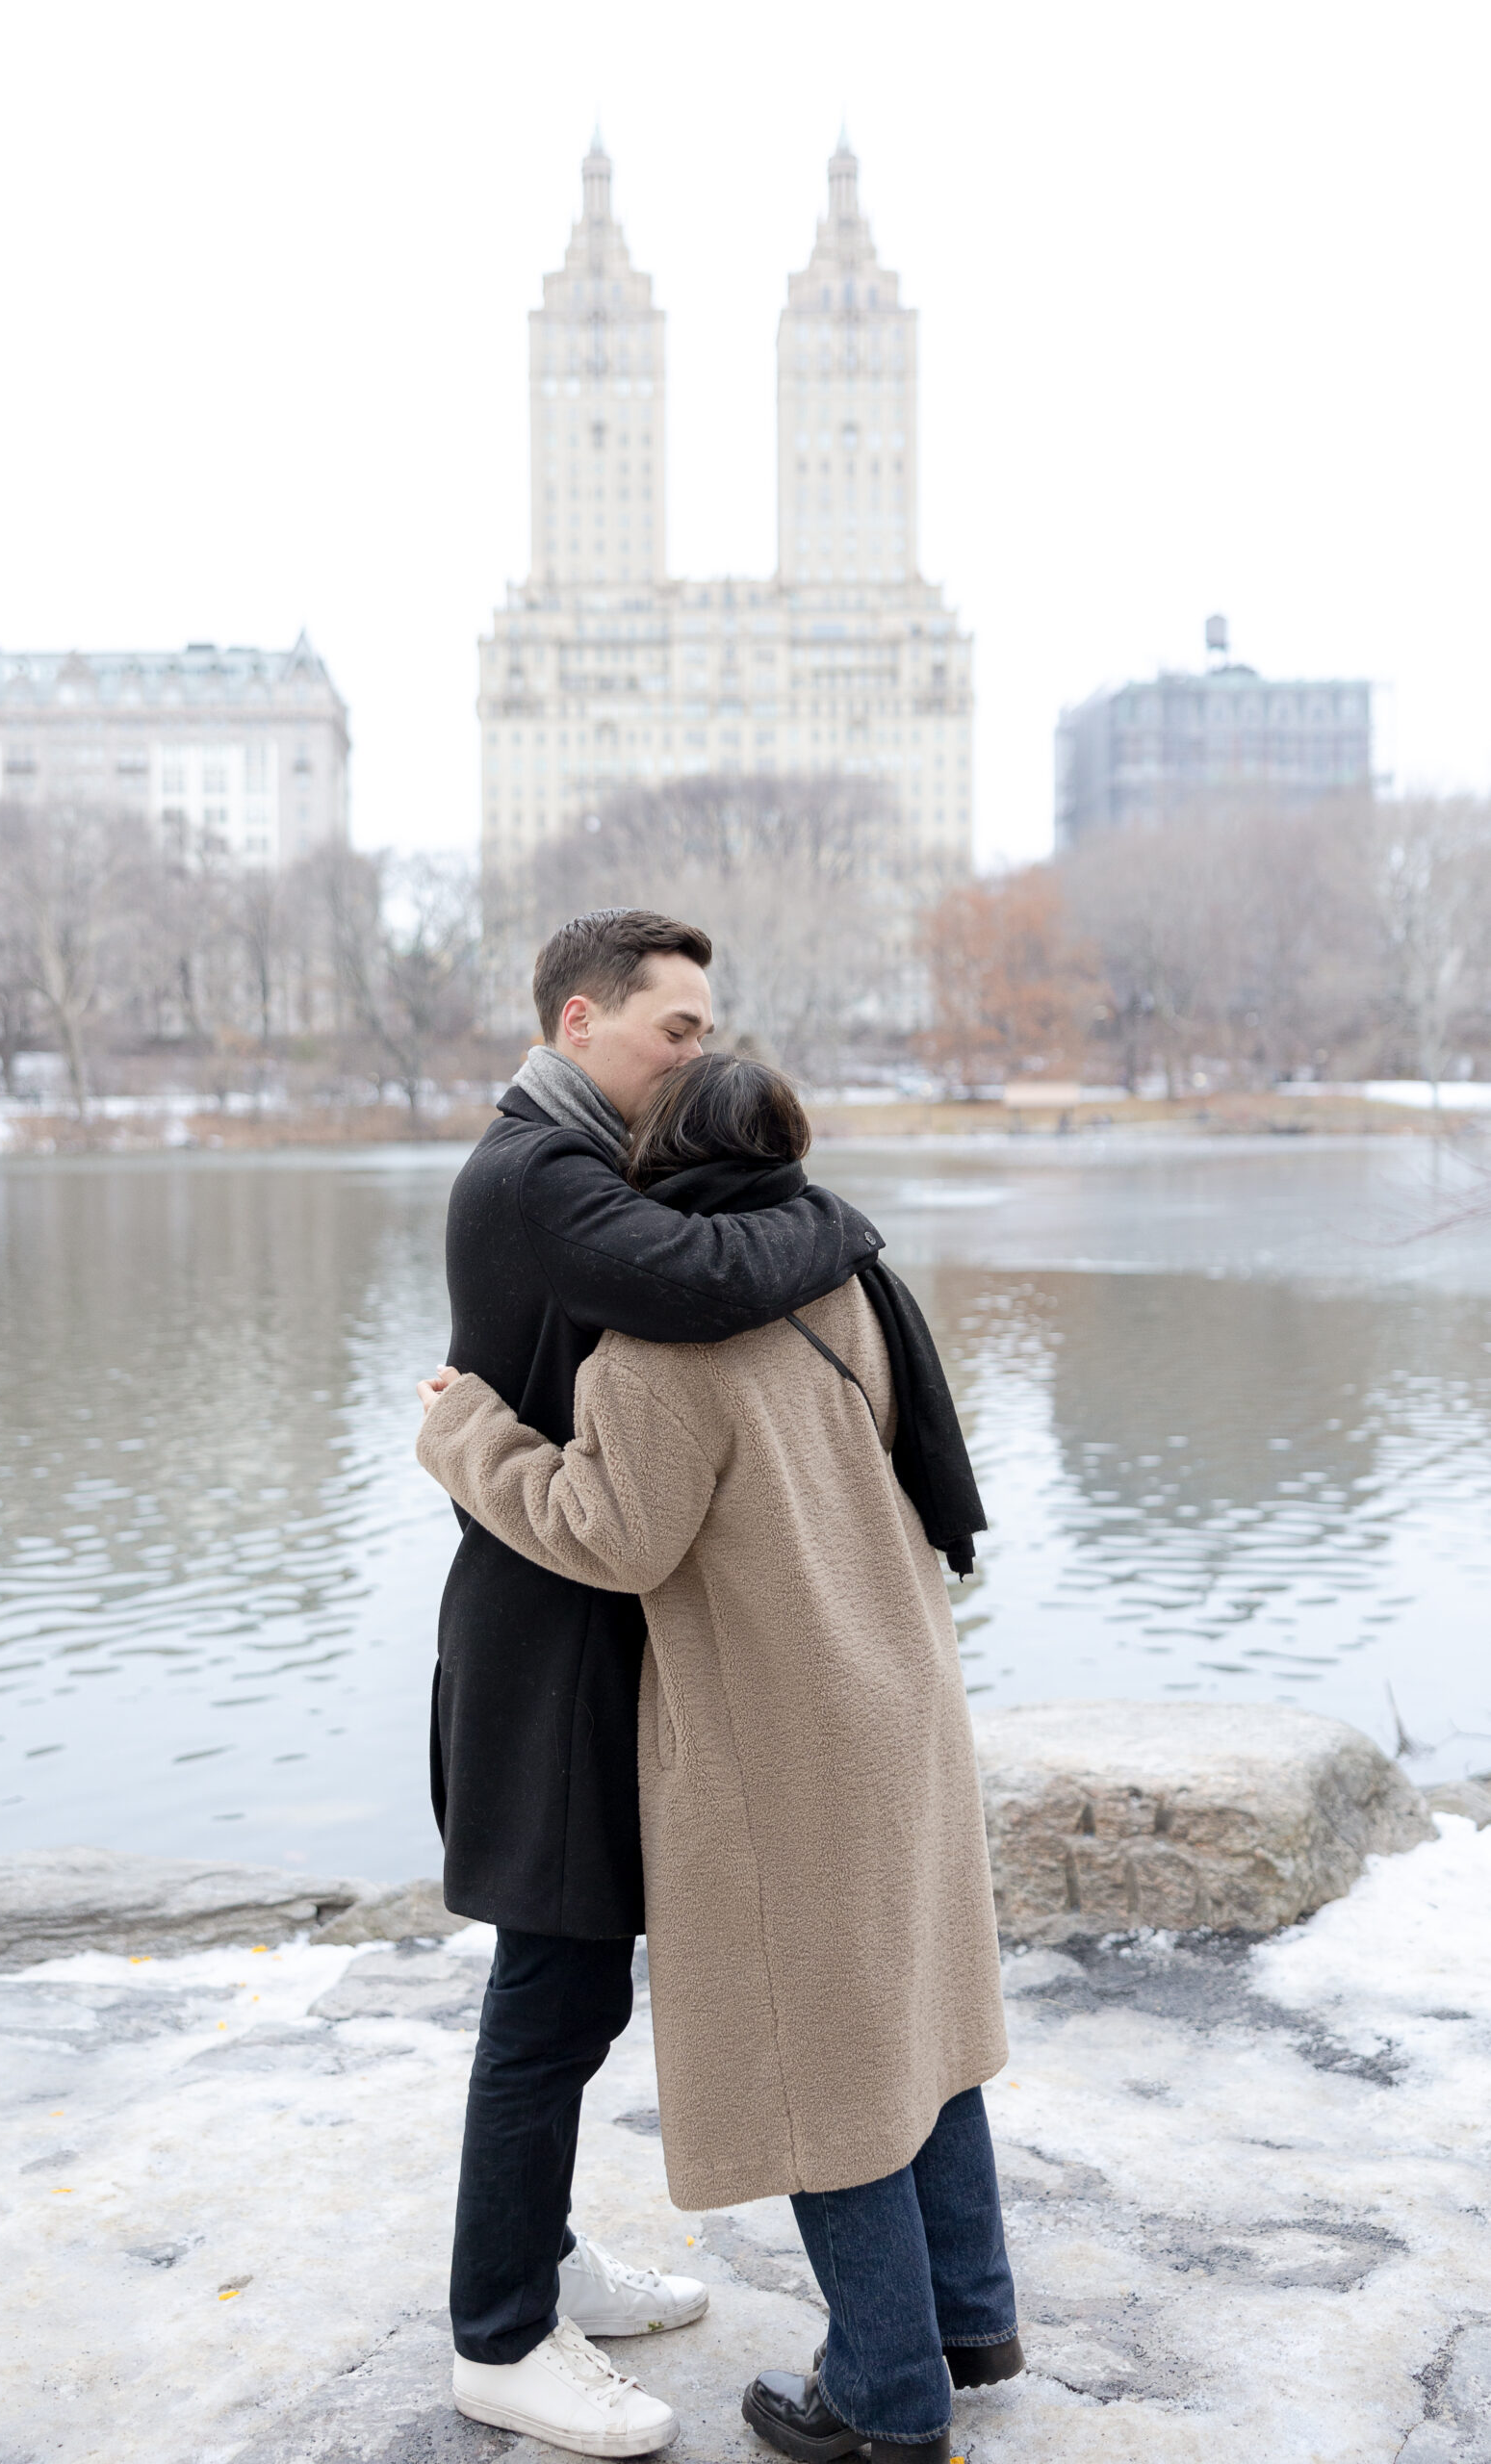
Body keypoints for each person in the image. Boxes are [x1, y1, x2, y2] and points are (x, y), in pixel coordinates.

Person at [418, 1051, 1022, 2464]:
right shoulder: (846, 1287)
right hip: (899, 1691)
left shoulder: (660, 1356)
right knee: (922, 2027)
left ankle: (886, 2397)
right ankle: (971, 2317)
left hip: (782, 1737)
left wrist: (467, 1433)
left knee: (825, 2076)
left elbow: (606, 1536)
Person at [430, 912, 885, 2456]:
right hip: (548, 1639)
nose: (699, 1050)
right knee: (549, 1999)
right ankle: (498, 2335)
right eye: (672, 1028)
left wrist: (823, 1219)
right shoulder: (533, 1174)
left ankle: (543, 2261)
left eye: (706, 1027)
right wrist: (848, 1222)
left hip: (607, 1621)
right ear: (578, 1022)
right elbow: (704, 1278)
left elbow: (718, 1261)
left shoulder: (591, 1158)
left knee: (582, 1991)